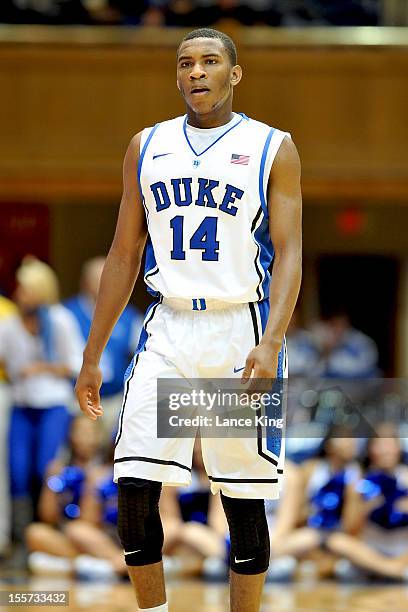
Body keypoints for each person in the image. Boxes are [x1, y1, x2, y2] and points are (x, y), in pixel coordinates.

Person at [75, 28, 302, 612]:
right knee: (133, 485)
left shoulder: (273, 147)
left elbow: (290, 253)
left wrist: (273, 340)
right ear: (176, 76)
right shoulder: (146, 146)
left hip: (238, 331)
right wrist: (92, 354)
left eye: (209, 61)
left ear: (235, 73)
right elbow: (124, 254)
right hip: (168, 327)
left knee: (243, 500)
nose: (196, 71)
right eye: (185, 63)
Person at [0, 257, 83, 567]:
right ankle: (21, 541)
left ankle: (44, 535)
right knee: (17, 472)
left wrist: (42, 367)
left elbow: (75, 363)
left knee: (44, 469)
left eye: (25, 288)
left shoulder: (59, 320)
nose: (20, 293)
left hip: (52, 406)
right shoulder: (9, 326)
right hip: (22, 406)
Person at [65, 256, 143, 439]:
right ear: (85, 282)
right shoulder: (67, 313)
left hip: (117, 397)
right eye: (100, 278)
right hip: (76, 399)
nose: (107, 284)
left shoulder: (129, 315)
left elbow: (143, 352)